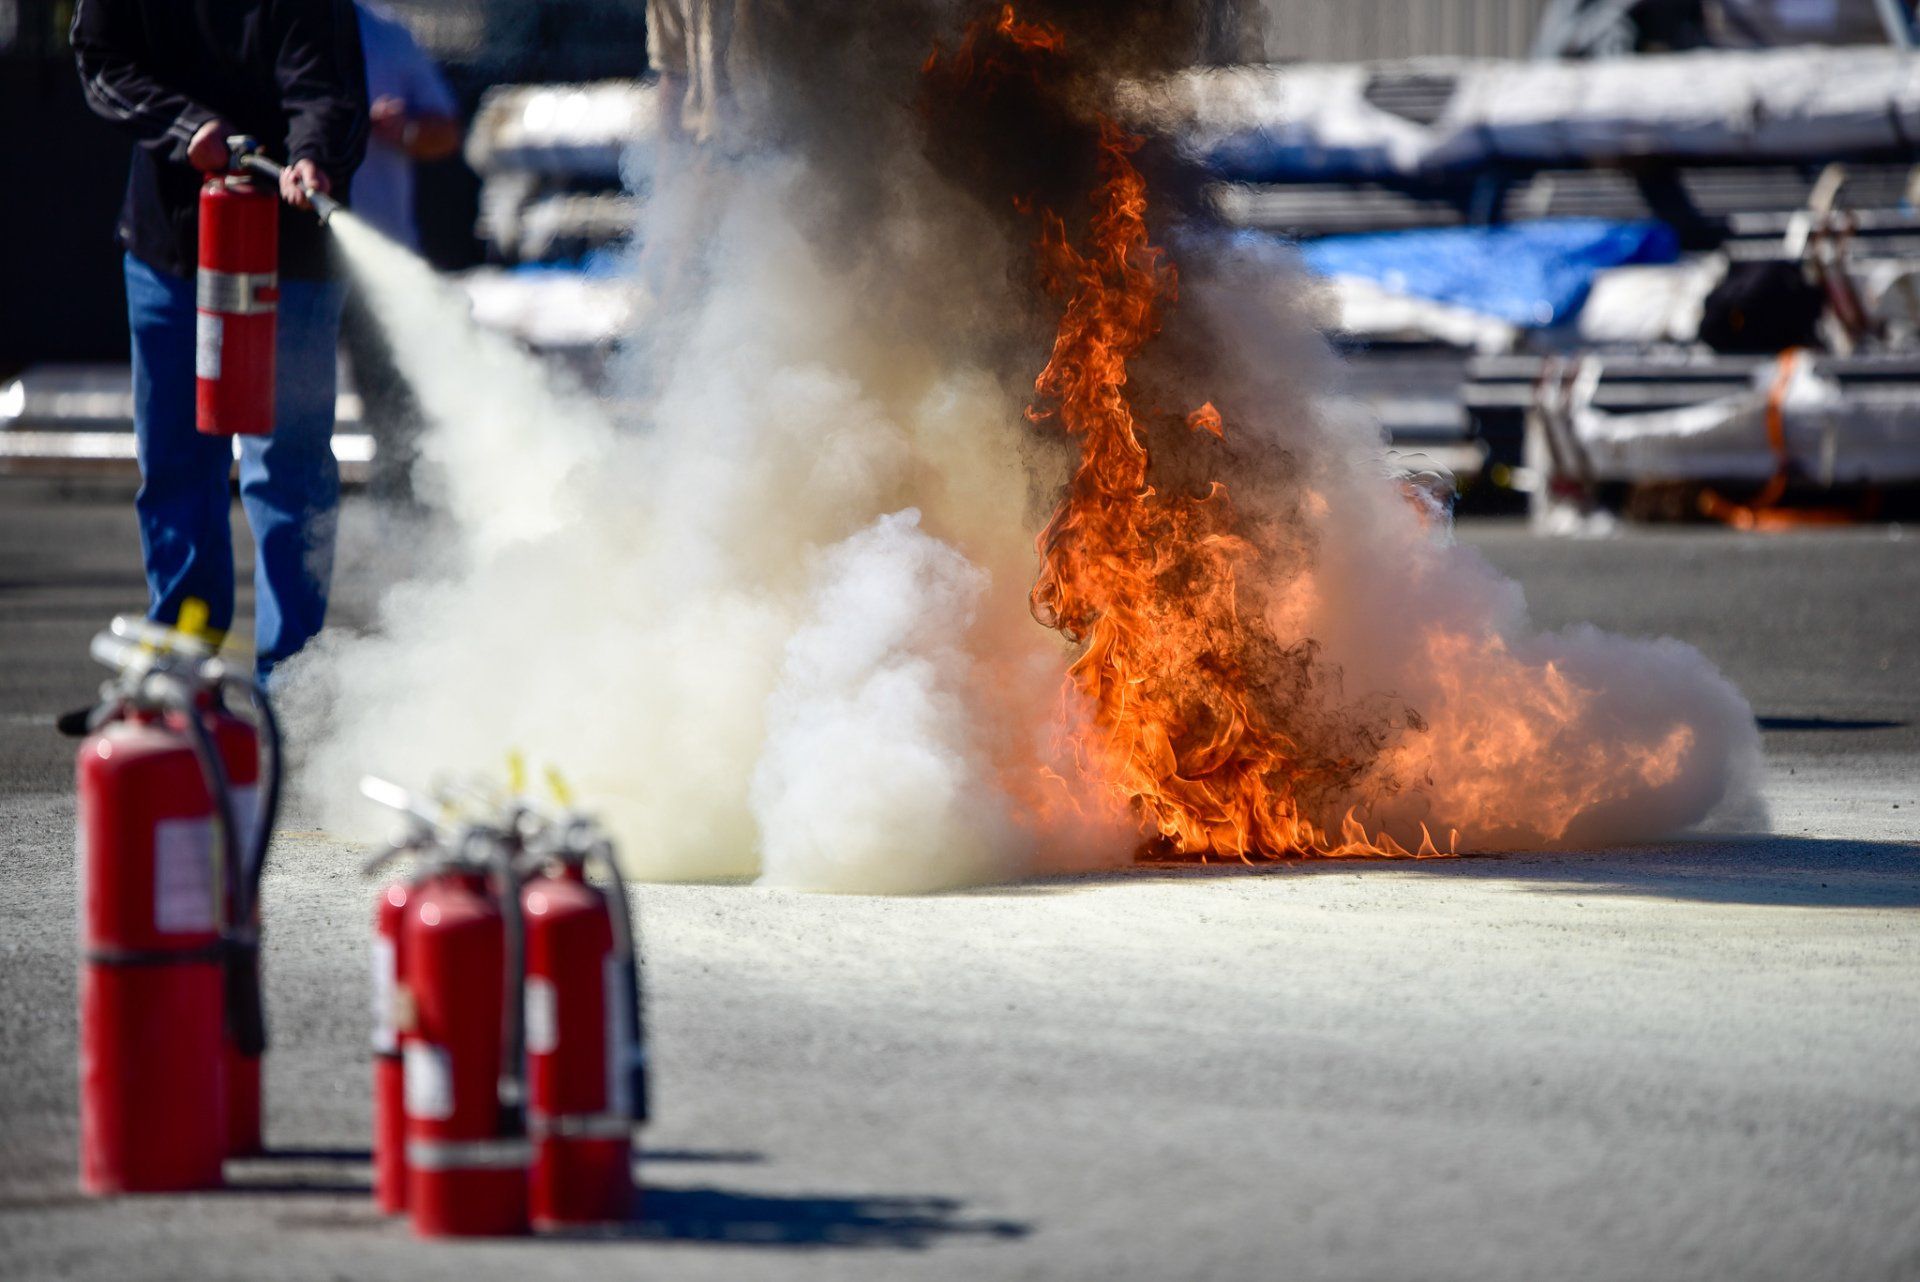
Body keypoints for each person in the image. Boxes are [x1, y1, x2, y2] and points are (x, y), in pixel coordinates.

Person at [71, 0, 368, 682]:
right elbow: (101, 58)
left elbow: (329, 85)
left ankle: (295, 687)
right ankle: (181, 669)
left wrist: (312, 157)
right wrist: (187, 129)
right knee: (178, 464)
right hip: (171, 247)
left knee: (289, 471)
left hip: (291, 255)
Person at [340, 2, 461, 498]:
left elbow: (447, 131)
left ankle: (402, 525)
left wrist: (404, 129)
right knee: (284, 406)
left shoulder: (388, 34)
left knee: (392, 400)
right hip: (290, 260)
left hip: (381, 253)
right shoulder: (264, 24)